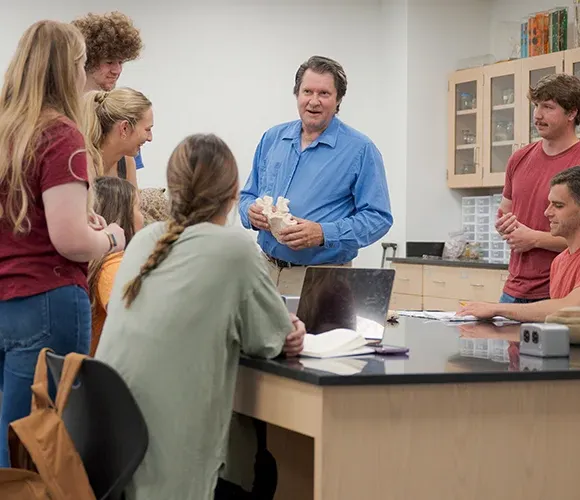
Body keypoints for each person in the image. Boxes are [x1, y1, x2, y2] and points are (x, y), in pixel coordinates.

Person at [95, 134, 305, 500]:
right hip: (170, 472)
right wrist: (291, 329)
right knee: (267, 469)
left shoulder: (144, 241)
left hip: (113, 459)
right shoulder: (234, 249)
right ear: (234, 192)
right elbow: (270, 339)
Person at [0, 20, 125, 467]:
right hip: (46, 302)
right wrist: (109, 236)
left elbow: (27, 218)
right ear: (70, 69)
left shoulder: (5, 131)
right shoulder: (60, 135)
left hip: (5, 298)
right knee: (40, 445)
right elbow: (70, 242)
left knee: (4, 435)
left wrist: (77, 220)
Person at [239, 55, 393, 296]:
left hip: (323, 279)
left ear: (338, 99)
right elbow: (248, 195)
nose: (314, 101)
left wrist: (323, 233)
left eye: (324, 93)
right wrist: (249, 212)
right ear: (297, 94)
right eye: (307, 91)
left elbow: (378, 219)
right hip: (265, 272)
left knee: (319, 337)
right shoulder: (272, 139)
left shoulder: (361, 150)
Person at [496, 73, 580, 304]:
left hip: (558, 292)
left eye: (548, 107)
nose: (538, 115)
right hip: (513, 289)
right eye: (536, 106)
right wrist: (505, 227)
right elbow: (505, 212)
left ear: (572, 113)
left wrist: (533, 239)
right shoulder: (519, 158)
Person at [458, 166, 580, 322]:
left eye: (558, 206)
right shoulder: (559, 262)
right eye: (549, 204)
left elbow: (571, 310)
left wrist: (496, 308)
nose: (547, 212)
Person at [72, 11, 146, 175]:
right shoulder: (64, 113)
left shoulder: (121, 114)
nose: (117, 70)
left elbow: (128, 186)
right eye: (109, 62)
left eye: (121, 62)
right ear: (87, 60)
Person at [88, 177, 144, 356]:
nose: (144, 216)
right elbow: (132, 320)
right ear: (123, 215)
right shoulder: (113, 265)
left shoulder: (98, 263)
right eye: (139, 208)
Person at [82, 88, 154, 187]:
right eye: (147, 129)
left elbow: (134, 202)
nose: (150, 138)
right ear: (124, 128)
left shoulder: (127, 162)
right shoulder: (83, 163)